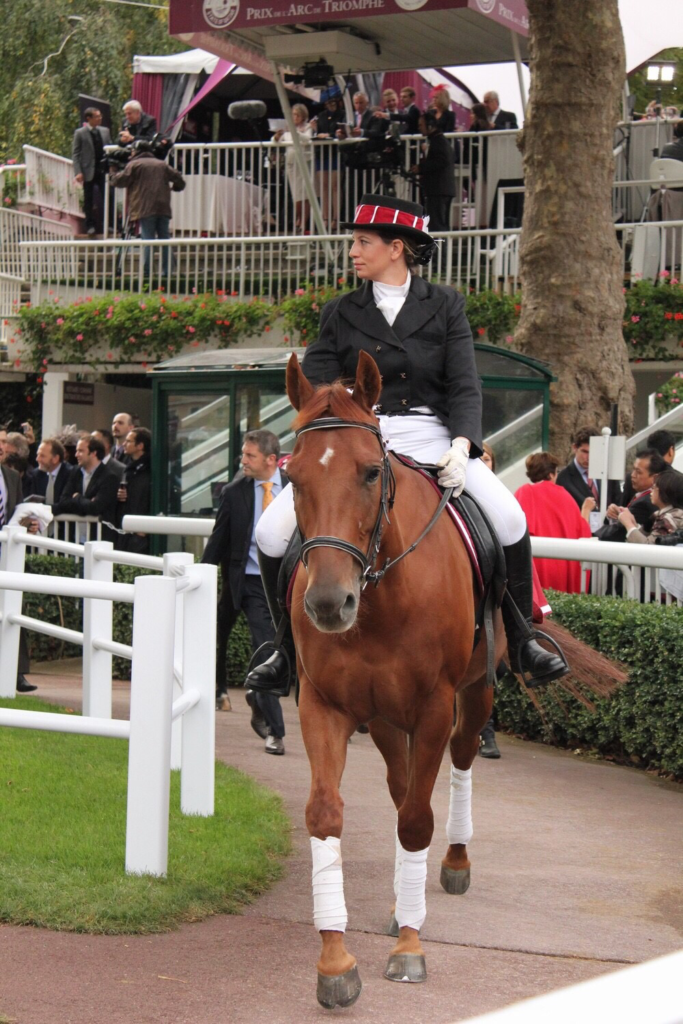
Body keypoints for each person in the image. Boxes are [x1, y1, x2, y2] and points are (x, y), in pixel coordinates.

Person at [249, 193, 568, 692]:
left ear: (396, 247)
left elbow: (465, 384)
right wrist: (331, 411)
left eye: (362, 242)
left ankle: (524, 638)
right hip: (359, 434)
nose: (352, 252)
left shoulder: (444, 306)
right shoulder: (339, 311)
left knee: (509, 517)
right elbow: (314, 383)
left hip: (429, 433)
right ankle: (282, 651)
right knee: (270, 533)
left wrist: (463, 446)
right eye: (353, 242)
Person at [202, 430, 288, 753]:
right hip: (251, 583)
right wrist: (199, 575)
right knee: (266, 648)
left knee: (293, 651)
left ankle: (255, 694)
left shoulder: (297, 488)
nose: (243, 461)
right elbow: (218, 540)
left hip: (290, 584)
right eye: (243, 455)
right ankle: (275, 731)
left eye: (249, 456)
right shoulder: (234, 491)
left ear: (271, 460)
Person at [515, 452, 592, 594]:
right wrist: (586, 511)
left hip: (534, 567)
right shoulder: (567, 497)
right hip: (563, 569)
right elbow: (582, 533)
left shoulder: (524, 492)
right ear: (551, 474)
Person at [109, 143, 185, 276]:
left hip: (145, 207)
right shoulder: (161, 164)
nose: (130, 153)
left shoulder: (135, 165)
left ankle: (147, 272)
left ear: (137, 151)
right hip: (163, 206)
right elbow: (178, 178)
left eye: (132, 150)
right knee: (164, 239)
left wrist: (112, 171)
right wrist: (176, 187)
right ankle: (167, 272)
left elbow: (118, 181)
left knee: (147, 239)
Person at [0, 453, 38, 693]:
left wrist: (29, 524)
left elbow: (16, 512)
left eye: (3, 441)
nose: (2, 447)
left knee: (13, 609)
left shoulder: (12, 476)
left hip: (6, 554)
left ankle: (16, 673)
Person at [53, 436, 119, 542]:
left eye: (80, 451)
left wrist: (77, 497)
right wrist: (85, 503)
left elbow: (95, 508)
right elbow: (63, 501)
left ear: (93, 453)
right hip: (75, 538)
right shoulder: (75, 472)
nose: (76, 455)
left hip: (99, 539)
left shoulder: (109, 477)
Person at [599, 448, 668, 543]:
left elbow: (615, 534)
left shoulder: (645, 503)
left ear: (654, 477)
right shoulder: (643, 495)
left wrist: (597, 532)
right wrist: (614, 516)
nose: (632, 475)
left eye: (638, 472)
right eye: (633, 470)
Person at [412, 110, 456, 232]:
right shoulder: (440, 140)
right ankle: (441, 249)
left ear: (430, 126)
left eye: (421, 125)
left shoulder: (438, 142)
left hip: (439, 190)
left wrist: (421, 168)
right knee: (440, 224)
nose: (419, 128)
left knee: (437, 225)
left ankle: (440, 249)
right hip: (442, 189)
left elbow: (441, 161)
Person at [72, 107, 112, 236]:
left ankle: (110, 224)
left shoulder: (105, 131)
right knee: (88, 200)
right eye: (96, 116)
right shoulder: (80, 133)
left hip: (103, 170)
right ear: (88, 118)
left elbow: (110, 149)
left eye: (100, 116)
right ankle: (90, 225)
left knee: (108, 197)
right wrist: (78, 171)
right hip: (88, 170)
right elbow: (76, 153)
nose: (100, 118)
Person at [273, 104, 313, 231]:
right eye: (293, 114)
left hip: (304, 163)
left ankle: (303, 221)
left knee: (305, 193)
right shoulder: (287, 129)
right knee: (295, 194)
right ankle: (298, 217)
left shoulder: (307, 127)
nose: (294, 117)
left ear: (302, 116)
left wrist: (295, 132)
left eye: (297, 115)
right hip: (291, 164)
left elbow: (307, 139)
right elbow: (275, 141)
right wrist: (277, 136)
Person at [618, 468, 683, 543]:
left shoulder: (669, 518)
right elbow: (647, 536)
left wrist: (628, 524)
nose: (651, 491)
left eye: (654, 487)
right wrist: (632, 522)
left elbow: (650, 548)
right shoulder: (659, 514)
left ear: (665, 492)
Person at [115, 428, 151, 554]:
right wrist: (119, 496)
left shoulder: (151, 469)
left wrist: (145, 528)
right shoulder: (128, 468)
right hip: (126, 530)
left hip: (141, 534)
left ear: (140, 446)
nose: (124, 444)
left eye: (129, 441)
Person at [621, 429, 676, 507]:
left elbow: (623, 507)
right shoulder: (677, 480)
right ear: (671, 450)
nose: (634, 475)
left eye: (639, 472)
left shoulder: (631, 478)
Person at [556, 428, 602, 511]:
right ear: (574, 448)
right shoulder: (563, 479)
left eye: (593, 452)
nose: (589, 458)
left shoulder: (606, 475)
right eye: (585, 452)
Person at [25, 438, 72, 505]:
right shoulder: (36, 475)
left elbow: (65, 504)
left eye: (42, 456)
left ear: (55, 459)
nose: (37, 459)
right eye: (38, 455)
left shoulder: (70, 474)